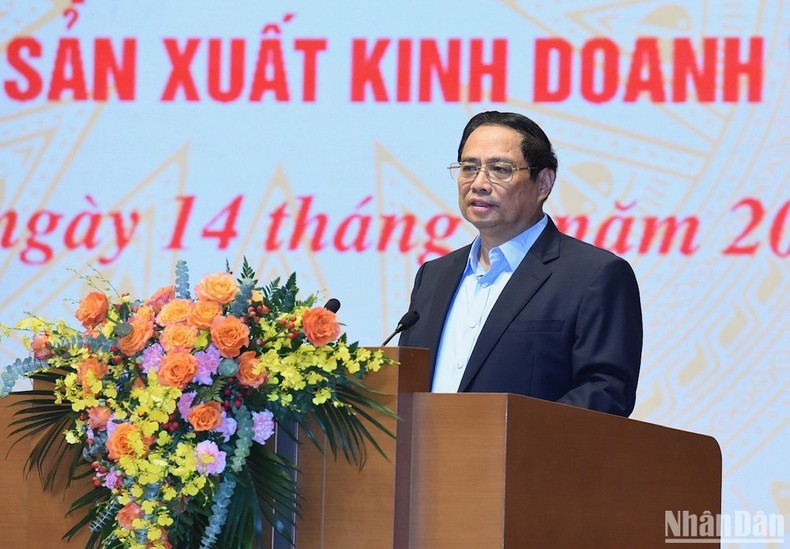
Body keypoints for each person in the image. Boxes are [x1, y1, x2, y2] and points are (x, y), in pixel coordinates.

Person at [398, 111, 642, 417]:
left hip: (526, 461)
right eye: (469, 168)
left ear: (543, 183)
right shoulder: (434, 275)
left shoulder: (594, 275)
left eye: (499, 169)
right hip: (425, 462)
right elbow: (406, 382)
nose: (478, 184)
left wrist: (512, 439)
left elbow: (606, 392)